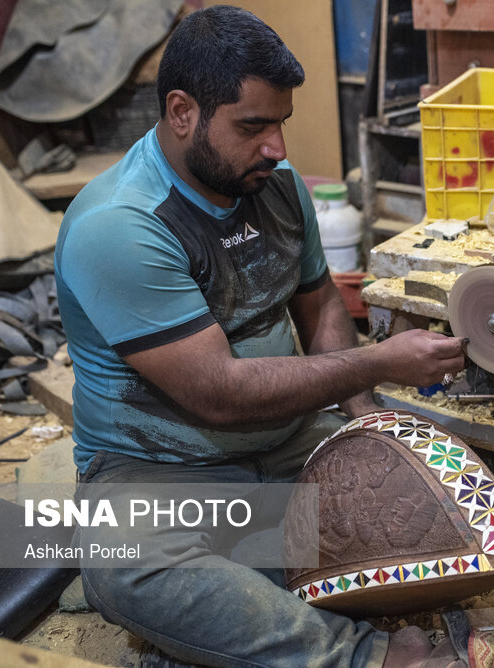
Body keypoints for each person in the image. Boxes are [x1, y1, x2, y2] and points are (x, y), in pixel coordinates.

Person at [54, 5, 466, 667]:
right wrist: (377, 364)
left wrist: (368, 427)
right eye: (253, 126)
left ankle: (275, 576)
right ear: (183, 112)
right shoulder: (120, 225)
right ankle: (357, 655)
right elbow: (220, 394)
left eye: (281, 124)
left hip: (284, 448)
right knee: (129, 566)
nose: (276, 148)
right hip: (159, 474)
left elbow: (322, 300)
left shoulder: (273, 187)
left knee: (437, 509)